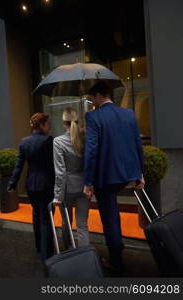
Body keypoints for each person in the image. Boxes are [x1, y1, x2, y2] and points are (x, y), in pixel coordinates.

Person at [83, 81, 145, 272]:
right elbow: (137, 143)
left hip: (106, 177)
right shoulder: (128, 114)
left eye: (92, 98)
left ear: (99, 96)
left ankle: (116, 258)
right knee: (113, 214)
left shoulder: (93, 116)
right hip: (126, 174)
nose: (92, 102)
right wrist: (140, 173)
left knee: (109, 217)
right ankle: (117, 246)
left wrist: (88, 182)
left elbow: (91, 150)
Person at [7, 113, 55, 261]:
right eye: (48, 124)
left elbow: (18, 166)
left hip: (31, 186)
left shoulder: (24, 142)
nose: (50, 126)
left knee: (36, 215)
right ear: (41, 125)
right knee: (47, 218)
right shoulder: (50, 141)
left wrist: (12, 185)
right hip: (47, 185)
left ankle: (38, 246)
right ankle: (48, 252)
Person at [53, 107, 90, 249]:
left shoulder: (58, 141)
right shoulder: (85, 139)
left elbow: (60, 172)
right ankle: (85, 256)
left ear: (63, 122)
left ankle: (69, 250)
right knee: (82, 225)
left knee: (66, 221)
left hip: (67, 188)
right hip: (84, 186)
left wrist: (57, 195)